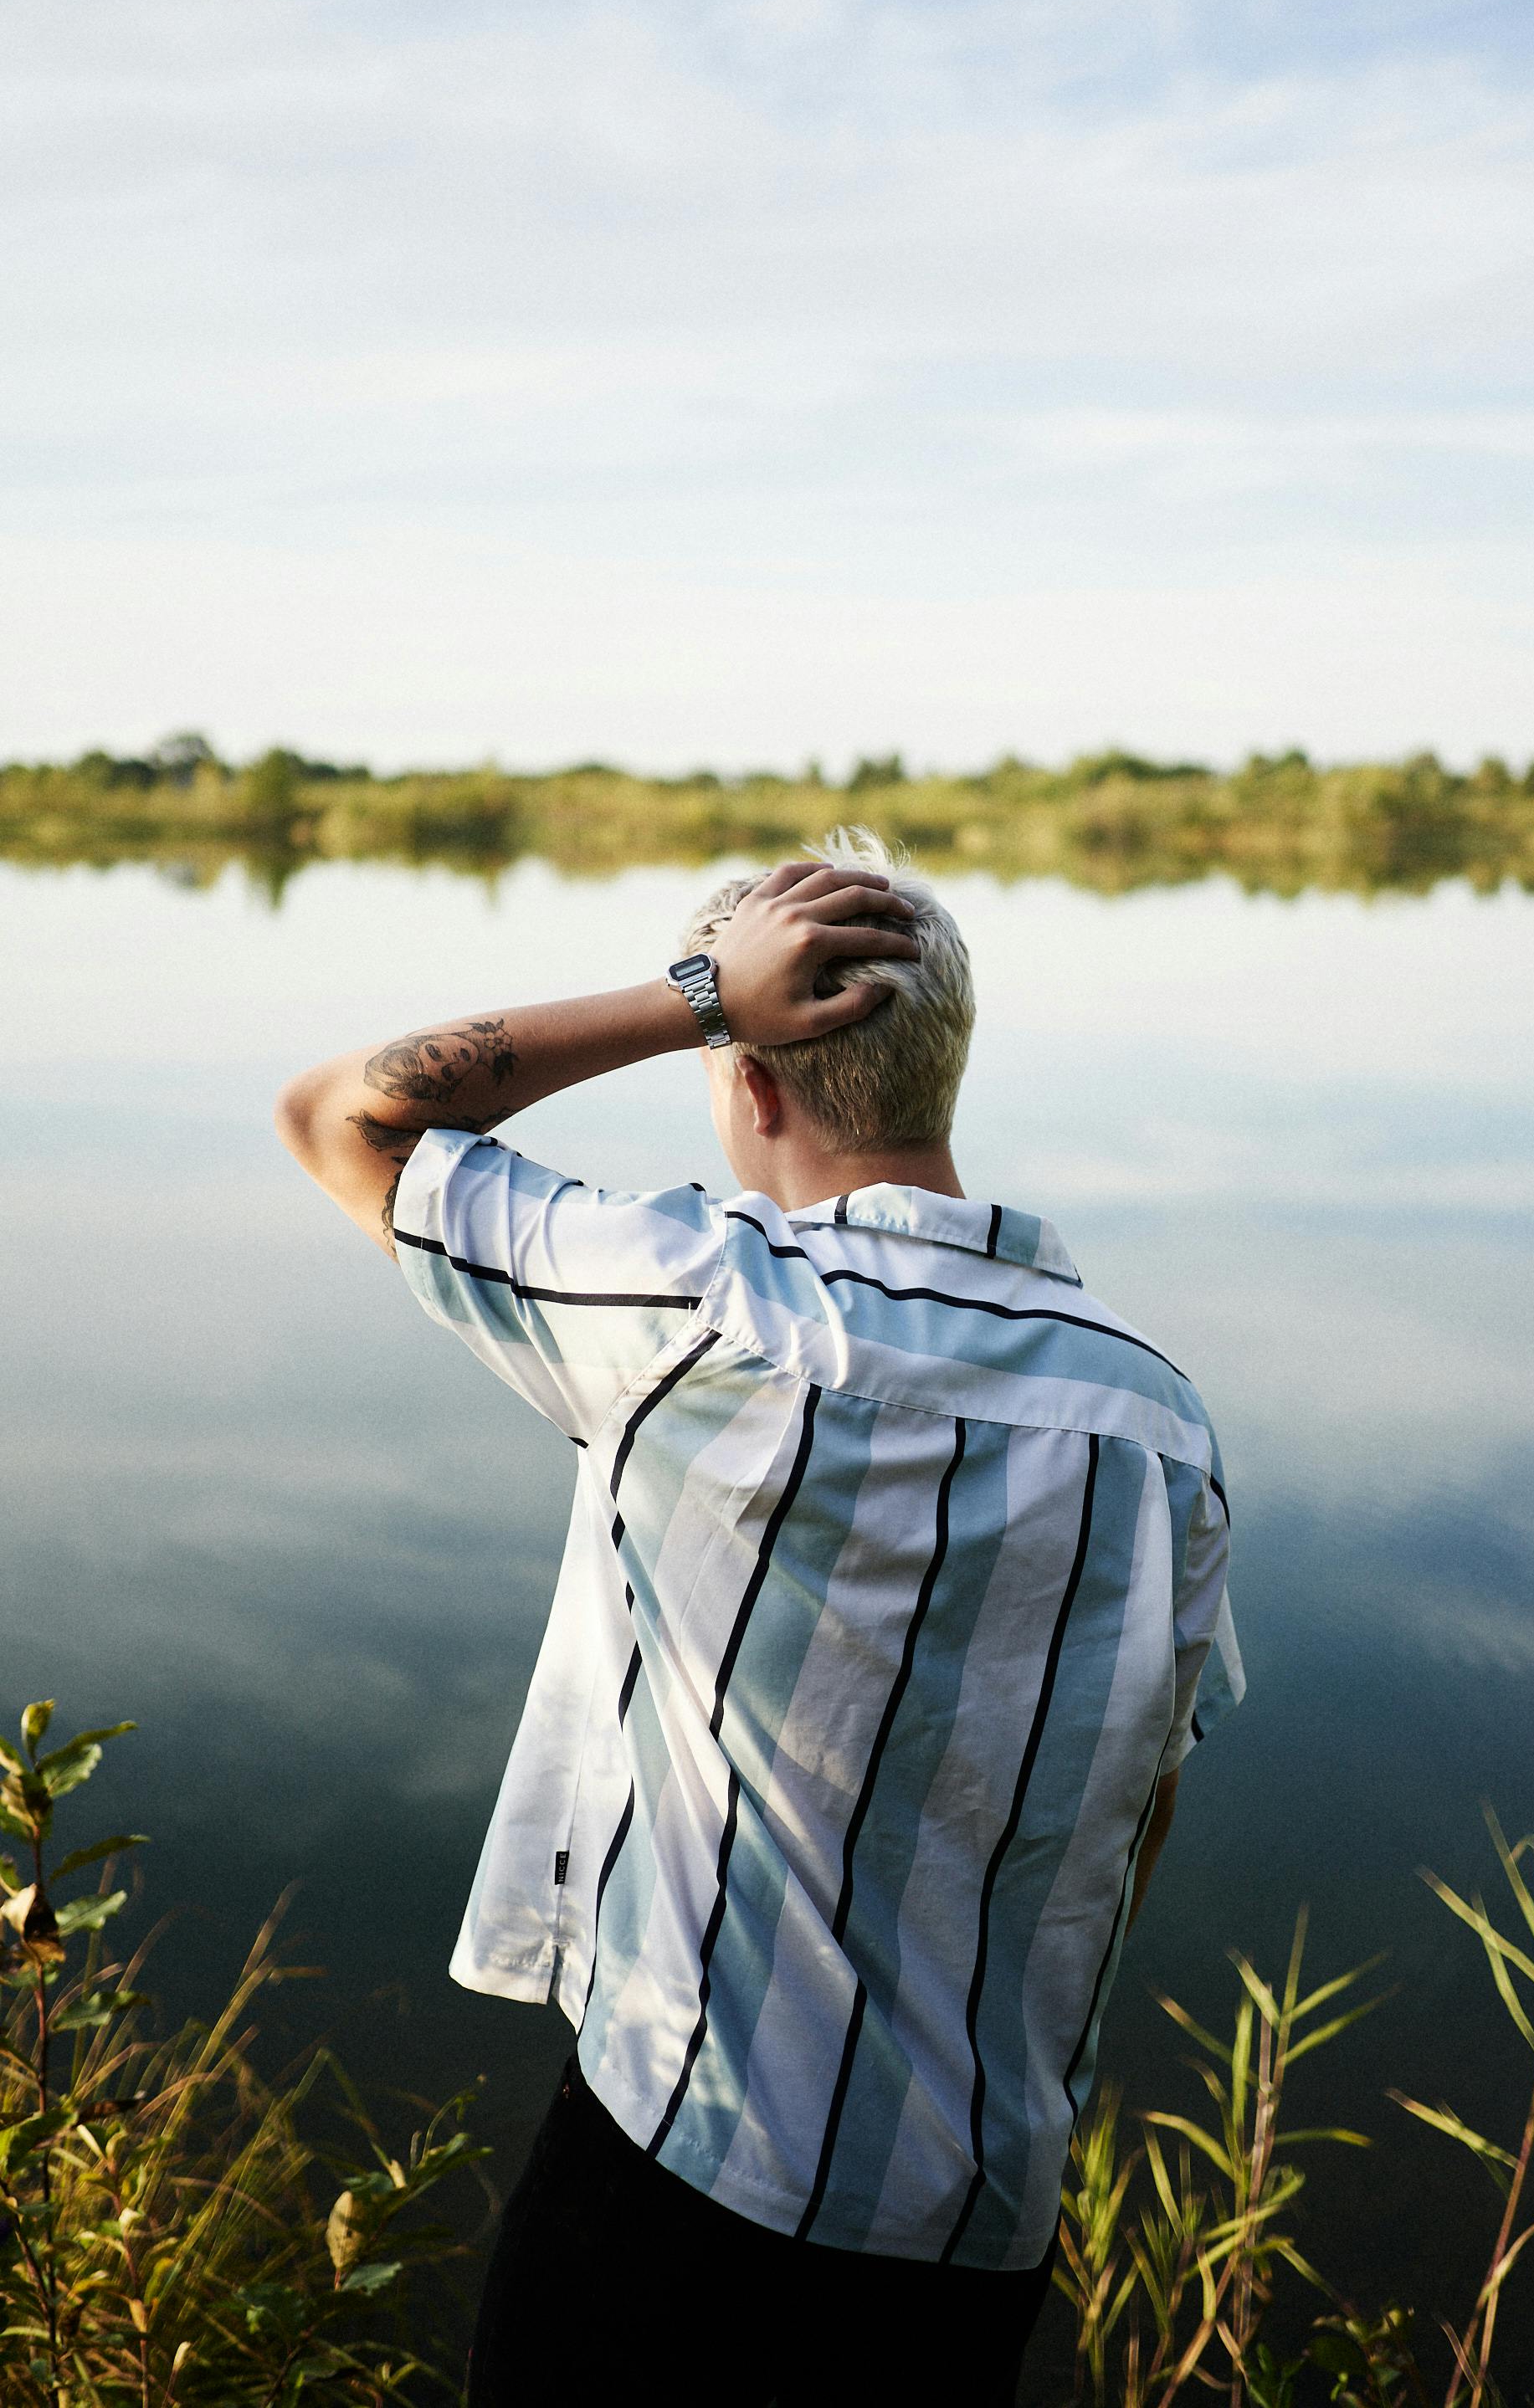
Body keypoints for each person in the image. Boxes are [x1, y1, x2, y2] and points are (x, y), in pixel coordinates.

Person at [274, 830, 1243, 2407]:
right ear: (945, 1063)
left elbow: (341, 1112)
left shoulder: (707, 1310)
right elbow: (1146, 1799)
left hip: (683, 2182)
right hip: (977, 2230)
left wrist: (692, 996)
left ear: (756, 1080)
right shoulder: (1156, 1417)